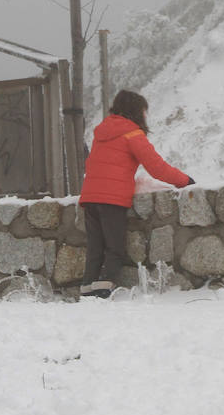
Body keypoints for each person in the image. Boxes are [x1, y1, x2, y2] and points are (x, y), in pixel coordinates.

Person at [77, 90, 193, 299]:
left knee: (95, 247)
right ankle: (103, 290)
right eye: (144, 111)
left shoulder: (102, 133)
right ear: (136, 111)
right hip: (111, 199)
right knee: (114, 248)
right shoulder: (132, 133)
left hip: (90, 197)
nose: (146, 116)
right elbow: (156, 167)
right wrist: (185, 180)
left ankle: (87, 290)